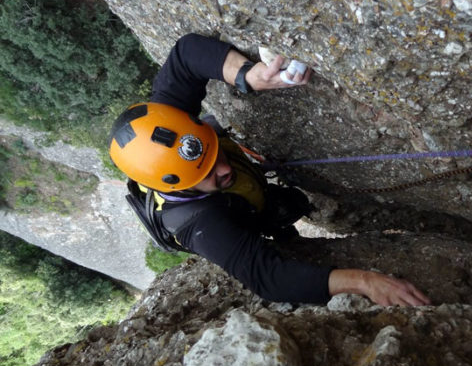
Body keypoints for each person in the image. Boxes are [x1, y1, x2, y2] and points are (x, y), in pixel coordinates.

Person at [109, 33, 430, 307]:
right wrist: (366, 282)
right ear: (179, 187)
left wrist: (246, 75)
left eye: (214, 152)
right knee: (277, 225)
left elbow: (186, 54)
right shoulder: (200, 224)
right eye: (206, 173)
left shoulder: (169, 128)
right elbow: (268, 279)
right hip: (236, 217)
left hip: (233, 193)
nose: (223, 168)